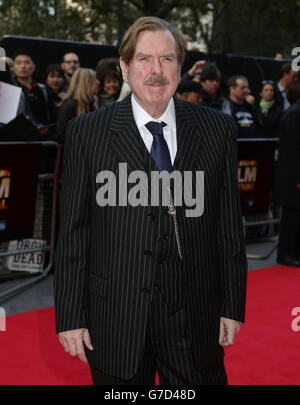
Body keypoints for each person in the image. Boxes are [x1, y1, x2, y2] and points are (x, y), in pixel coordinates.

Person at [54, 16, 247, 386]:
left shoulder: (216, 129)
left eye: (167, 59)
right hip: (115, 314)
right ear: (125, 67)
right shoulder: (87, 132)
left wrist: (232, 304)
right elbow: (74, 233)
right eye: (144, 59)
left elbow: (228, 226)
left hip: (193, 313)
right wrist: (70, 315)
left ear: (180, 65)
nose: (156, 71)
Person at [275, 82, 300, 267]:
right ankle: (285, 253)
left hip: (294, 174)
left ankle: (295, 250)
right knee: (291, 216)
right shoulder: (294, 114)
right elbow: (293, 150)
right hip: (292, 176)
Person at [55, 67, 99, 144]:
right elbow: (61, 136)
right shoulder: (69, 105)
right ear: (85, 83)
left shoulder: (92, 103)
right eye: (94, 80)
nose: (98, 82)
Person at [13, 49, 55, 127]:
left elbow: (52, 115)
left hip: (43, 135)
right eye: (19, 63)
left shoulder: (44, 89)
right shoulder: (10, 90)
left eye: (27, 62)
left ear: (34, 66)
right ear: (13, 67)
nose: (23, 66)